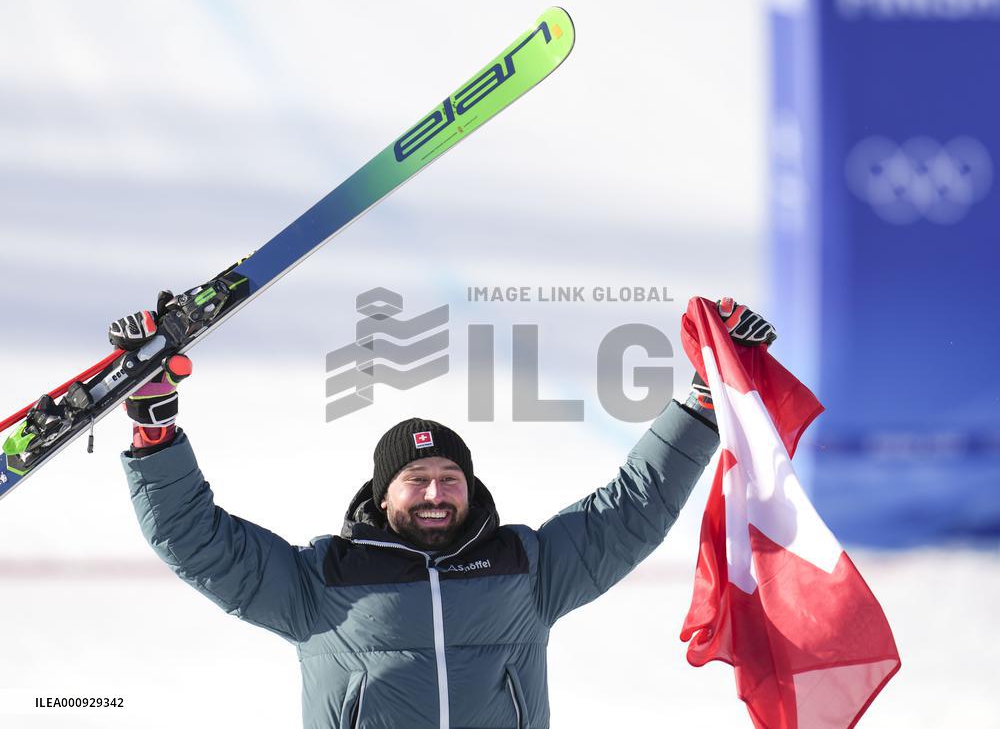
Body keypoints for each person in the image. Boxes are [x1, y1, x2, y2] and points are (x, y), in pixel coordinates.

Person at [111, 298, 776, 729]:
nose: (435, 492)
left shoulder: (526, 566)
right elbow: (199, 542)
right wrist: (155, 434)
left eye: (449, 477)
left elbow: (633, 508)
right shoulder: (323, 581)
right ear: (383, 493)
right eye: (417, 478)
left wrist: (701, 401)